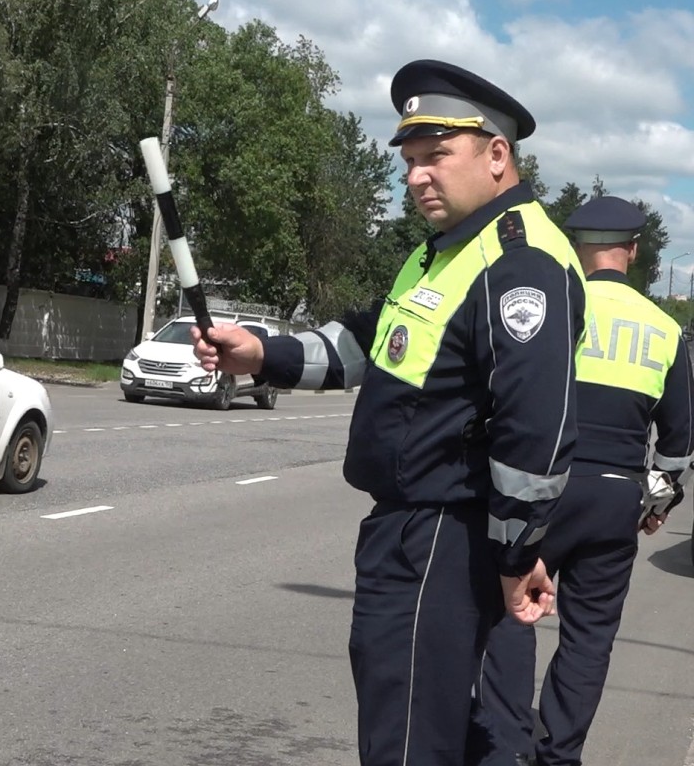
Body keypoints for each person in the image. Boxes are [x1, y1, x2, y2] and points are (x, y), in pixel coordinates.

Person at [190, 59, 588, 765]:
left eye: (436, 156)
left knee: (407, 740)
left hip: (443, 537)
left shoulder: (519, 262)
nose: (415, 177)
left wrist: (514, 554)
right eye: (409, 161)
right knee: (413, 719)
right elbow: (369, 343)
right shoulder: (440, 255)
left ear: (497, 156)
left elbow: (536, 431)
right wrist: (262, 354)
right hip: (411, 533)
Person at [468, 196, 694, 766]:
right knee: (589, 637)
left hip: (541, 484)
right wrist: (657, 502)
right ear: (635, 250)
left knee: (511, 609)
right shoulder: (665, 330)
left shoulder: (556, 304)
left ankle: (506, 745)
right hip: (615, 495)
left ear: (574, 245)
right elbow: (677, 441)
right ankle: (559, 752)